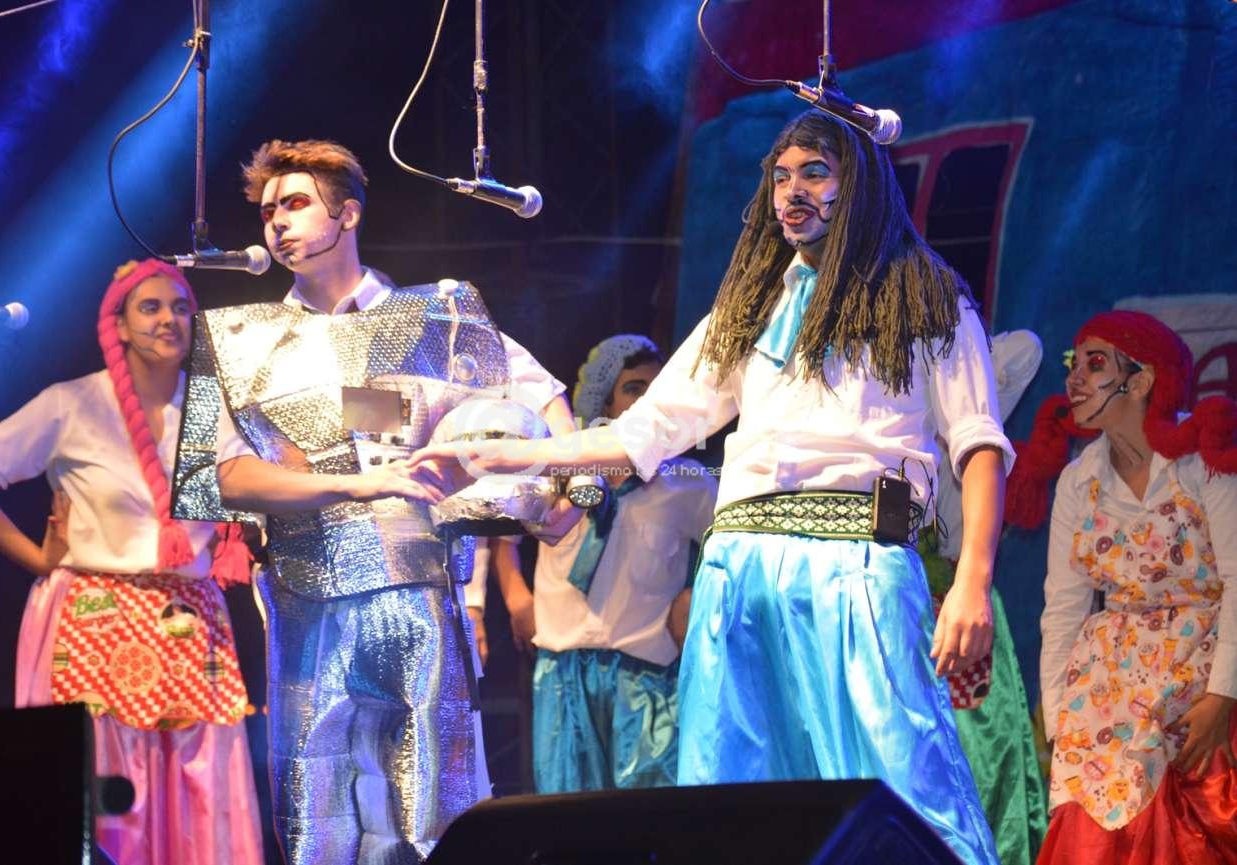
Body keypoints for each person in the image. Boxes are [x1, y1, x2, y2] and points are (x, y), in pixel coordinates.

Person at [411, 108, 1009, 865]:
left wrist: (973, 582)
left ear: (857, 184)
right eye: (781, 177)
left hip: (855, 563)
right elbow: (644, 432)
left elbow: (978, 445)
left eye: (814, 173)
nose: (792, 191)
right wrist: (516, 456)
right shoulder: (749, 308)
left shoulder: (925, 296)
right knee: (738, 797)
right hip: (739, 570)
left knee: (903, 775)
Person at [178, 139, 572, 865]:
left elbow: (544, 396)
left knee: (433, 818)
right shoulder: (235, 339)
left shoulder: (440, 317)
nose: (278, 221)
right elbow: (216, 477)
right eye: (269, 210)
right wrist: (354, 484)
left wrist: (568, 492)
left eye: (297, 203)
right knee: (314, 820)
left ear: (348, 213)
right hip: (306, 605)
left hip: (420, 598)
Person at [0, 259, 264, 865]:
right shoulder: (73, 404)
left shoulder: (208, 410)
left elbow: (252, 489)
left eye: (181, 308)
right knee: (108, 800)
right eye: (151, 307)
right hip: (94, 619)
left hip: (189, 622)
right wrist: (37, 560)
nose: (169, 319)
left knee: (198, 797)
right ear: (117, 325)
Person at [1006, 310, 1237, 864]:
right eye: (1074, 363)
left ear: (1142, 380)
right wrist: (1061, 723)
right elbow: (1063, 608)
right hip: (1107, 687)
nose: (1074, 378)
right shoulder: (1078, 480)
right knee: (1094, 835)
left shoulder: (1203, 460)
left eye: (1095, 363)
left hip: (1201, 670)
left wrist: (1222, 698)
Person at [496, 334, 717, 793]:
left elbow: (726, 548)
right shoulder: (560, 473)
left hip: (644, 676)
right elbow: (503, 533)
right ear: (604, 402)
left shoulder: (687, 484)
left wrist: (694, 595)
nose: (645, 401)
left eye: (655, 390)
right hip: (563, 671)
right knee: (568, 813)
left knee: (645, 815)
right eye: (633, 388)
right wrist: (515, 595)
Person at [921, 330, 1048, 865]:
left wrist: (946, 365)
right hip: (890, 597)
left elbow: (1026, 349)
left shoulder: (963, 412)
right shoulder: (875, 419)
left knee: (976, 765)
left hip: (958, 598)